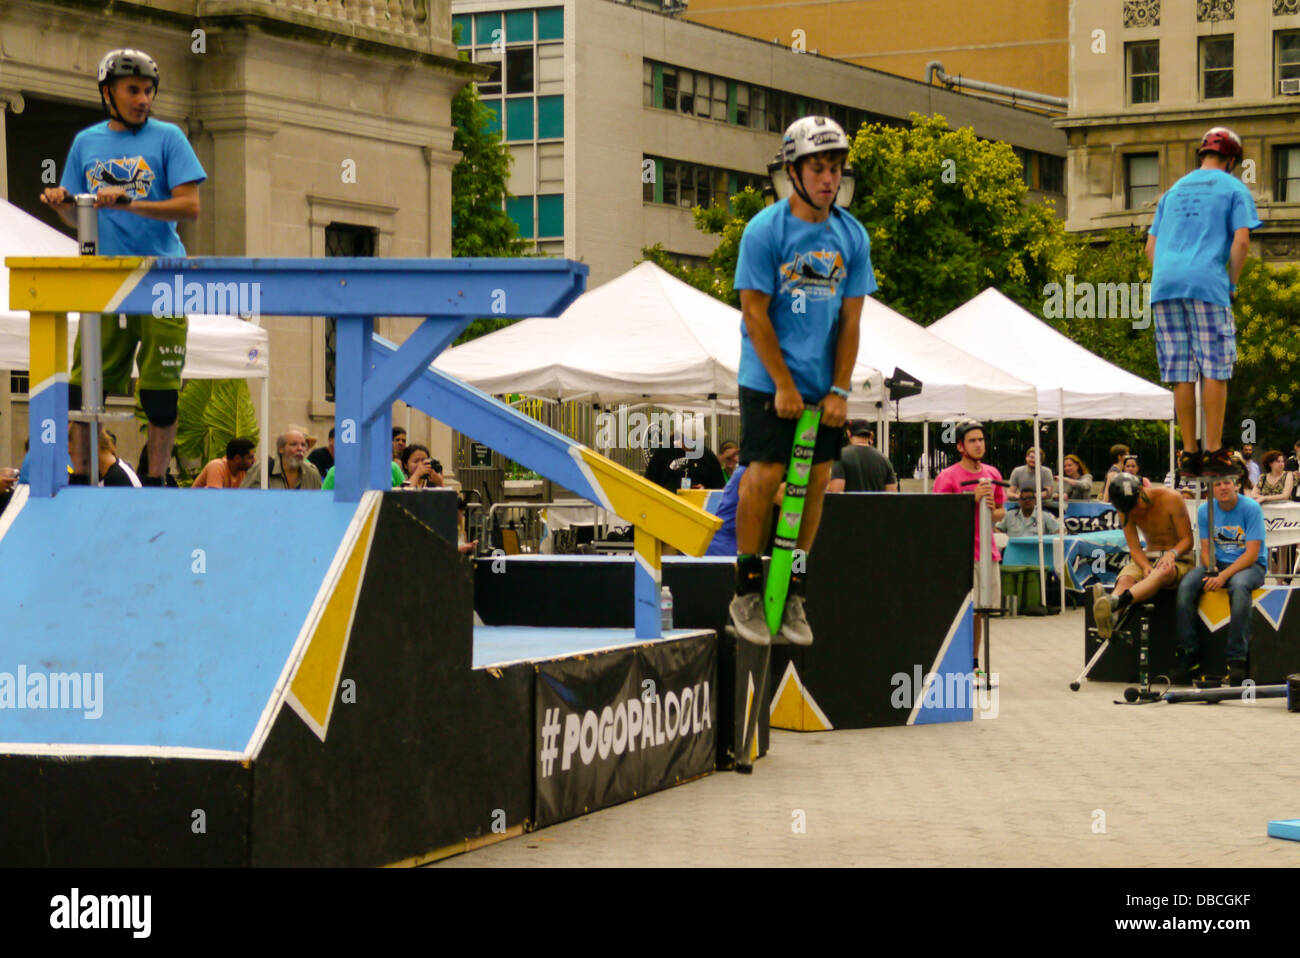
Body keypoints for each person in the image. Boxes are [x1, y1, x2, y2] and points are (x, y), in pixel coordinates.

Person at [727, 115, 870, 647]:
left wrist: (838, 390)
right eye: (818, 167)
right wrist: (784, 385)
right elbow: (755, 314)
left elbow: (852, 321)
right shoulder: (765, 230)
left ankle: (794, 595)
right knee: (764, 475)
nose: (829, 178)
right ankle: (745, 588)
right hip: (768, 379)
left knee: (816, 482)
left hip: (821, 383)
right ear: (794, 171)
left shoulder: (852, 235)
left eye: (835, 168)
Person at [39, 49, 206, 488]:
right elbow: (80, 217)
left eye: (149, 91)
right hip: (106, 278)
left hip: (161, 275)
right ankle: (81, 476)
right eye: (134, 90)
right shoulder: (86, 143)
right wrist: (62, 204)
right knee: (82, 388)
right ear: (108, 93)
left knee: (160, 395)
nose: (143, 99)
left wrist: (133, 201)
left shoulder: (169, 137)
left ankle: (153, 483)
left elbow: (190, 207)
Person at [1147, 126, 1260, 479]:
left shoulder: (1172, 191)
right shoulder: (1234, 188)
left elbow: (1150, 248)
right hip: (1206, 283)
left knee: (1181, 371)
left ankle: (1188, 453)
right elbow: (1240, 242)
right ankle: (1214, 451)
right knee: (1215, 365)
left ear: (1202, 155)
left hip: (1164, 285)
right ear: (1231, 160)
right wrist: (1232, 283)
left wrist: (1170, 273)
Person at [1174, 467, 1266, 686]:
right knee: (1186, 585)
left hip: (1250, 565)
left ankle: (1236, 660)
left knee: (1239, 586)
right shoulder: (1206, 510)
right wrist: (1213, 571)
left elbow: (1252, 553)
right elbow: (1205, 551)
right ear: (1210, 490)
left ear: (1235, 484)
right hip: (1218, 564)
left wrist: (1222, 576)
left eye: (1227, 483)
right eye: (1217, 484)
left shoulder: (1251, 508)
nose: (1223, 488)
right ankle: (1189, 655)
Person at [933, 420, 1005, 674]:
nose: (978, 444)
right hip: (959, 553)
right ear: (961, 447)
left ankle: (973, 662)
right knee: (960, 610)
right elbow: (939, 515)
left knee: (981, 610)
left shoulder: (993, 474)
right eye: (972, 441)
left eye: (981, 440)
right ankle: (952, 661)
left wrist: (990, 509)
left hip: (987, 553)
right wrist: (969, 501)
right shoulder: (948, 476)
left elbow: (1000, 512)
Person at [1090, 473, 1195, 640]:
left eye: (1136, 504)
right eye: (1130, 509)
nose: (1136, 511)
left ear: (1142, 490)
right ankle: (1111, 617)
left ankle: (1116, 602)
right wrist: (1145, 566)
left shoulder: (1171, 498)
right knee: (1126, 579)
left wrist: (1171, 554)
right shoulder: (1125, 509)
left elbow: (1188, 540)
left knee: (1162, 572)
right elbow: (1135, 548)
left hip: (1179, 559)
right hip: (1148, 556)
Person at [827, 420, 897, 492]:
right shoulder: (884, 459)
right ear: (870, 435)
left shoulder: (840, 456)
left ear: (848, 433)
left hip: (849, 503)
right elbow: (892, 493)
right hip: (876, 503)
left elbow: (836, 491)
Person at [241, 428, 322, 490]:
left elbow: (319, 506)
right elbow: (242, 499)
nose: (300, 448)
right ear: (281, 449)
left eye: (303, 445)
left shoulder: (312, 474)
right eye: (294, 444)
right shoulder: (262, 469)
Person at [192, 437, 256, 489]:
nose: (254, 461)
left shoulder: (243, 471)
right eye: (250, 458)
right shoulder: (216, 466)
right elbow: (214, 498)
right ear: (237, 459)